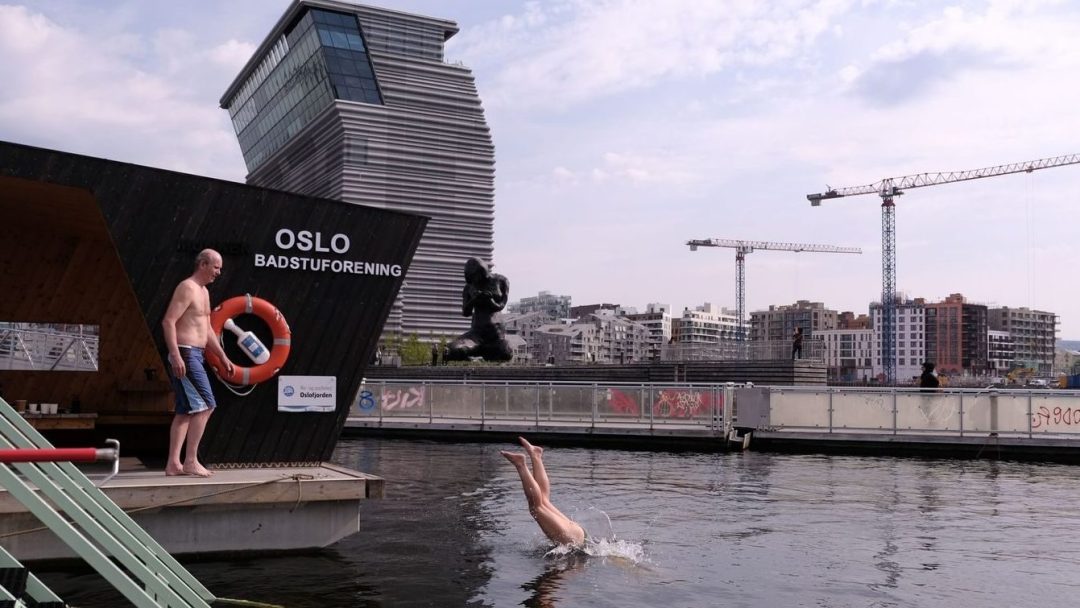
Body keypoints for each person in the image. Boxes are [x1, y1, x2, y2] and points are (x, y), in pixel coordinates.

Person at [162, 249, 235, 477]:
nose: (219, 272)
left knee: (185, 410)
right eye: (216, 267)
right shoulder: (187, 288)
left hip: (196, 353)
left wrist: (222, 356)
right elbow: (168, 321)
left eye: (220, 268)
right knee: (206, 405)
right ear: (203, 264)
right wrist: (174, 354)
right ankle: (191, 461)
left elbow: (207, 330)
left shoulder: (203, 292)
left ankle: (174, 463)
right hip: (185, 353)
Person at [500, 437, 586, 547]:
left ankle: (536, 455)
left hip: (577, 533)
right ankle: (520, 464)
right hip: (570, 539)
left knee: (544, 500)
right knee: (536, 507)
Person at [445, 258, 513, 361]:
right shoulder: (469, 287)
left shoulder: (501, 281)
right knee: (449, 350)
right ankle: (476, 357)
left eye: (475, 277)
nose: (474, 281)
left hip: (496, 335)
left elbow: (501, 305)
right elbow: (465, 312)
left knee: (507, 351)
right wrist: (474, 300)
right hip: (476, 335)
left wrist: (490, 300)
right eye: (471, 279)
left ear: (482, 271)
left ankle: (481, 355)